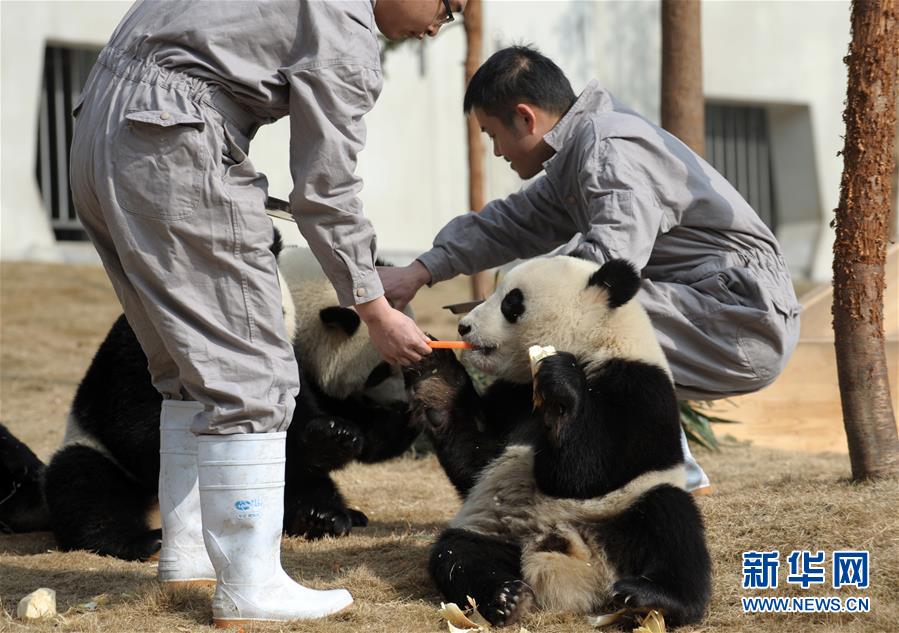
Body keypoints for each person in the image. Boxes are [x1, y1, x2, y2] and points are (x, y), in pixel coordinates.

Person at [70, 0, 464, 625]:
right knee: (253, 370)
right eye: (450, 5)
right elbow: (326, 192)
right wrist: (377, 311)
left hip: (99, 128)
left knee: (186, 365)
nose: (443, 24)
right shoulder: (346, 26)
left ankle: (193, 552)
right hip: (174, 138)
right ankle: (251, 583)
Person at [380, 45, 802, 496]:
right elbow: (508, 224)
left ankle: (668, 467)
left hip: (740, 315)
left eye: (492, 134)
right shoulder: (579, 158)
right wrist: (420, 270)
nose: (497, 151)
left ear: (525, 118)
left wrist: (506, 318)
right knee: (562, 311)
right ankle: (658, 465)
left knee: (572, 311)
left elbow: (609, 264)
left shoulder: (610, 148)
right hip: (705, 309)